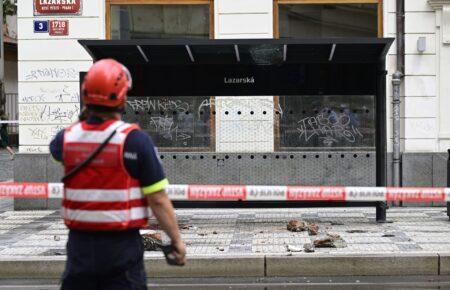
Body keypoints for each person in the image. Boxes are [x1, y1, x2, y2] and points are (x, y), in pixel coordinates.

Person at [49, 59, 186, 290]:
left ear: (85, 95)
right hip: (121, 252)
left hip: (80, 250)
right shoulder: (135, 142)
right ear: (122, 97)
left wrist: (85, 115)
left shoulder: (66, 139)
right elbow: (158, 199)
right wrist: (176, 241)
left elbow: (59, 149)